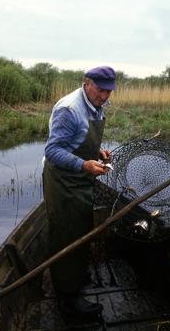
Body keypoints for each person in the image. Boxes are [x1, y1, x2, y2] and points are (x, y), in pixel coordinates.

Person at [43, 66, 116, 317]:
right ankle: (68, 299)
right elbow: (52, 150)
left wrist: (97, 153)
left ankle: (75, 276)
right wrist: (84, 164)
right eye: (101, 90)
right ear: (87, 83)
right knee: (66, 233)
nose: (105, 96)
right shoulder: (69, 109)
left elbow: (78, 140)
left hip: (81, 178)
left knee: (81, 227)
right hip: (63, 180)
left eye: (109, 91)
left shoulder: (95, 104)